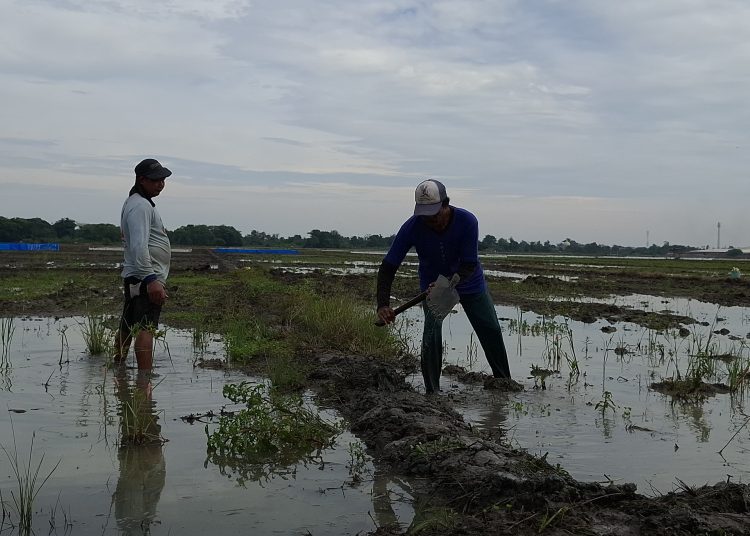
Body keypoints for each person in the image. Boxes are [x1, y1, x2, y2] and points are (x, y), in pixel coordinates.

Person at [376, 179, 511, 393]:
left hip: (468, 282)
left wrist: (448, 283)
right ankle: (432, 390)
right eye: (425, 217)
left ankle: (504, 382)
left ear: (446, 204)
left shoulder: (467, 221)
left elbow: (469, 264)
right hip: (432, 286)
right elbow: (388, 266)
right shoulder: (412, 227)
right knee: (431, 332)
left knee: (491, 328)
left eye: (435, 215)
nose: (431, 221)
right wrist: (382, 304)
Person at [115, 158, 172, 370]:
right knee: (146, 327)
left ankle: (119, 368)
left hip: (135, 275)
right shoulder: (140, 206)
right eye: (156, 180)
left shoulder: (137, 203)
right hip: (145, 276)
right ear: (142, 179)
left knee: (128, 324)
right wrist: (152, 280)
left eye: (163, 180)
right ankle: (144, 379)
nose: (160, 184)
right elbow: (139, 246)